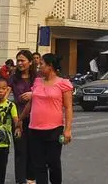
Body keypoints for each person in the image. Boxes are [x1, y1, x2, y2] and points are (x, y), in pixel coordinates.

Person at [19, 53, 73, 184]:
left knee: (53, 163)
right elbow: (31, 103)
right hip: (34, 129)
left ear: (50, 66)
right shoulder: (37, 81)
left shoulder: (63, 83)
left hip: (54, 129)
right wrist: (20, 119)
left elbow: (68, 108)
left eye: (42, 64)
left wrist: (67, 130)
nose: (39, 66)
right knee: (38, 164)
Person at [10, 50, 37, 184]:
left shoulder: (37, 78)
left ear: (30, 62)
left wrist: (33, 94)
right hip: (18, 117)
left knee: (33, 149)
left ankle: (30, 178)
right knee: (20, 150)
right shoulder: (13, 78)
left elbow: (46, 92)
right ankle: (20, 180)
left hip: (35, 118)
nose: (20, 63)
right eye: (18, 60)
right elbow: (5, 93)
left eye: (22, 60)